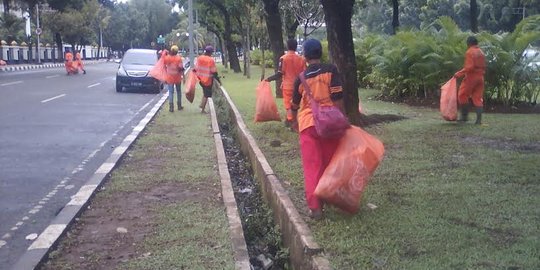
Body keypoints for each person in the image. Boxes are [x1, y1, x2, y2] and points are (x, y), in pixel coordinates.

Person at [291, 39, 346, 220]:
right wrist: (341, 120)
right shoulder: (331, 70)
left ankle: (315, 208)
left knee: (312, 166)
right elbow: (337, 97)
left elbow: (294, 105)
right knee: (330, 162)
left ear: (305, 57)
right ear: (320, 53)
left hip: (308, 125)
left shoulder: (300, 78)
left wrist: (294, 122)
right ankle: (331, 196)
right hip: (329, 124)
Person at [265, 39, 306, 127]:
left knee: (288, 105)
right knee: (296, 104)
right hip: (299, 86)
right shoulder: (302, 59)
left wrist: (269, 79)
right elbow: (304, 73)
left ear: (287, 46)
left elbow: (280, 74)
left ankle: (292, 122)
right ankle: (291, 120)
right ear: (296, 47)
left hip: (288, 86)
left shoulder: (283, 58)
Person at [454, 36, 486, 125]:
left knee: (462, 95)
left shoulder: (470, 52)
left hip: (471, 77)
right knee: (477, 98)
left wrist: (459, 74)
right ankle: (478, 121)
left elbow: (469, 67)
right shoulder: (481, 52)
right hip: (481, 77)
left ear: (468, 43)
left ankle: (464, 117)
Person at [194, 45, 221, 113]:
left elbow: (196, 68)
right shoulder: (210, 60)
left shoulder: (200, 58)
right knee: (207, 94)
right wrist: (218, 80)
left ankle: (201, 105)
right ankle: (202, 108)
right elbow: (214, 71)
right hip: (207, 80)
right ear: (210, 52)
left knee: (205, 93)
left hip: (200, 79)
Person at [163, 45, 185, 112]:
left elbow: (164, 67)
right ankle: (179, 106)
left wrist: (165, 77)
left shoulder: (167, 58)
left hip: (169, 77)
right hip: (177, 77)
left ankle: (171, 107)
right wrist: (184, 77)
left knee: (171, 92)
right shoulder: (178, 58)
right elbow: (181, 69)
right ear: (177, 51)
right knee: (178, 91)